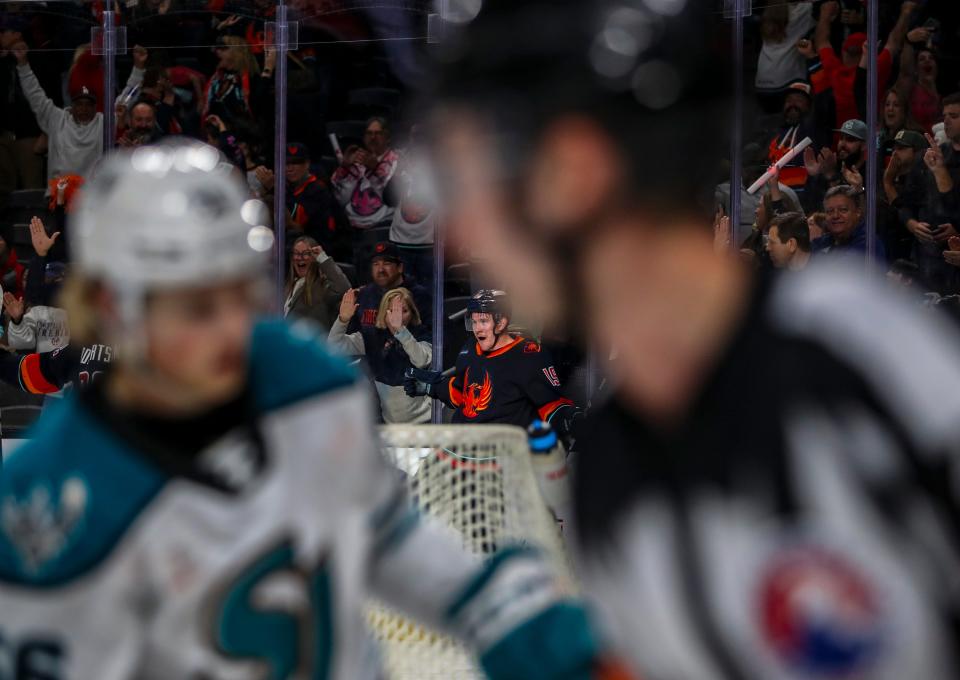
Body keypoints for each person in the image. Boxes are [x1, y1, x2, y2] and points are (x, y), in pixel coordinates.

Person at [429, 0, 960, 677]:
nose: (463, 235)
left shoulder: (852, 344)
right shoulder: (610, 469)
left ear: (574, 171)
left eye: (470, 183)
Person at [0, 140, 599, 680]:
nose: (227, 332)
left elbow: (386, 535)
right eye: (193, 305)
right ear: (109, 306)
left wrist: (507, 615)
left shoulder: (306, 382)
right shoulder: (40, 509)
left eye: (238, 293)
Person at [405, 290, 579, 435]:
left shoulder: (529, 355)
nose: (477, 328)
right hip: (465, 448)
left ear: (502, 322)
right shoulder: (470, 349)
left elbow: (551, 404)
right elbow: (461, 394)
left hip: (505, 455)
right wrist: (431, 387)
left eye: (483, 321)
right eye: (474, 321)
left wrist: (570, 418)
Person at [12, 41, 145, 187]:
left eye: (89, 105)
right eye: (79, 104)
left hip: (91, 197)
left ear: (95, 106)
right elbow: (34, 93)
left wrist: (139, 67)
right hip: (60, 197)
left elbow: (127, 98)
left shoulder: (103, 122)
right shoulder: (56, 119)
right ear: (72, 104)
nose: (84, 109)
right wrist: (22, 64)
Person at [329, 286, 432, 423]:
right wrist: (343, 320)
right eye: (392, 311)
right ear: (384, 313)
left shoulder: (422, 335)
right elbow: (334, 346)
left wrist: (400, 331)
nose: (397, 317)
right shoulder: (373, 338)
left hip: (426, 423)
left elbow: (421, 360)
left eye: (404, 311)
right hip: (391, 425)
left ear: (413, 313)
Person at [271, 142, 350, 259]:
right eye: (286, 163)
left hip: (320, 252)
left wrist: (274, 191)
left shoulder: (318, 189)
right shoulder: (287, 187)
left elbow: (296, 224)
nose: (290, 168)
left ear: (307, 164)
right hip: (297, 249)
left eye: (296, 163)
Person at [331, 116, 400, 230]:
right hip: (352, 228)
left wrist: (376, 169)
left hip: (385, 227)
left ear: (387, 137)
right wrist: (345, 167)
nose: (373, 137)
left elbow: (394, 197)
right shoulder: (358, 161)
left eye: (378, 133)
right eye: (369, 133)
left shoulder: (398, 161)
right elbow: (341, 199)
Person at [349, 242, 431, 333]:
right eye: (376, 264)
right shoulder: (364, 295)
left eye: (387, 263)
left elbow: (435, 337)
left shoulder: (419, 296)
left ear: (400, 267)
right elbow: (352, 334)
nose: (381, 269)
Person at [283, 235, 350, 330]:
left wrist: (322, 258)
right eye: (296, 253)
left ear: (315, 258)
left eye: (305, 253)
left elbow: (344, 288)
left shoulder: (322, 286)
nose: (300, 258)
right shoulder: (288, 285)